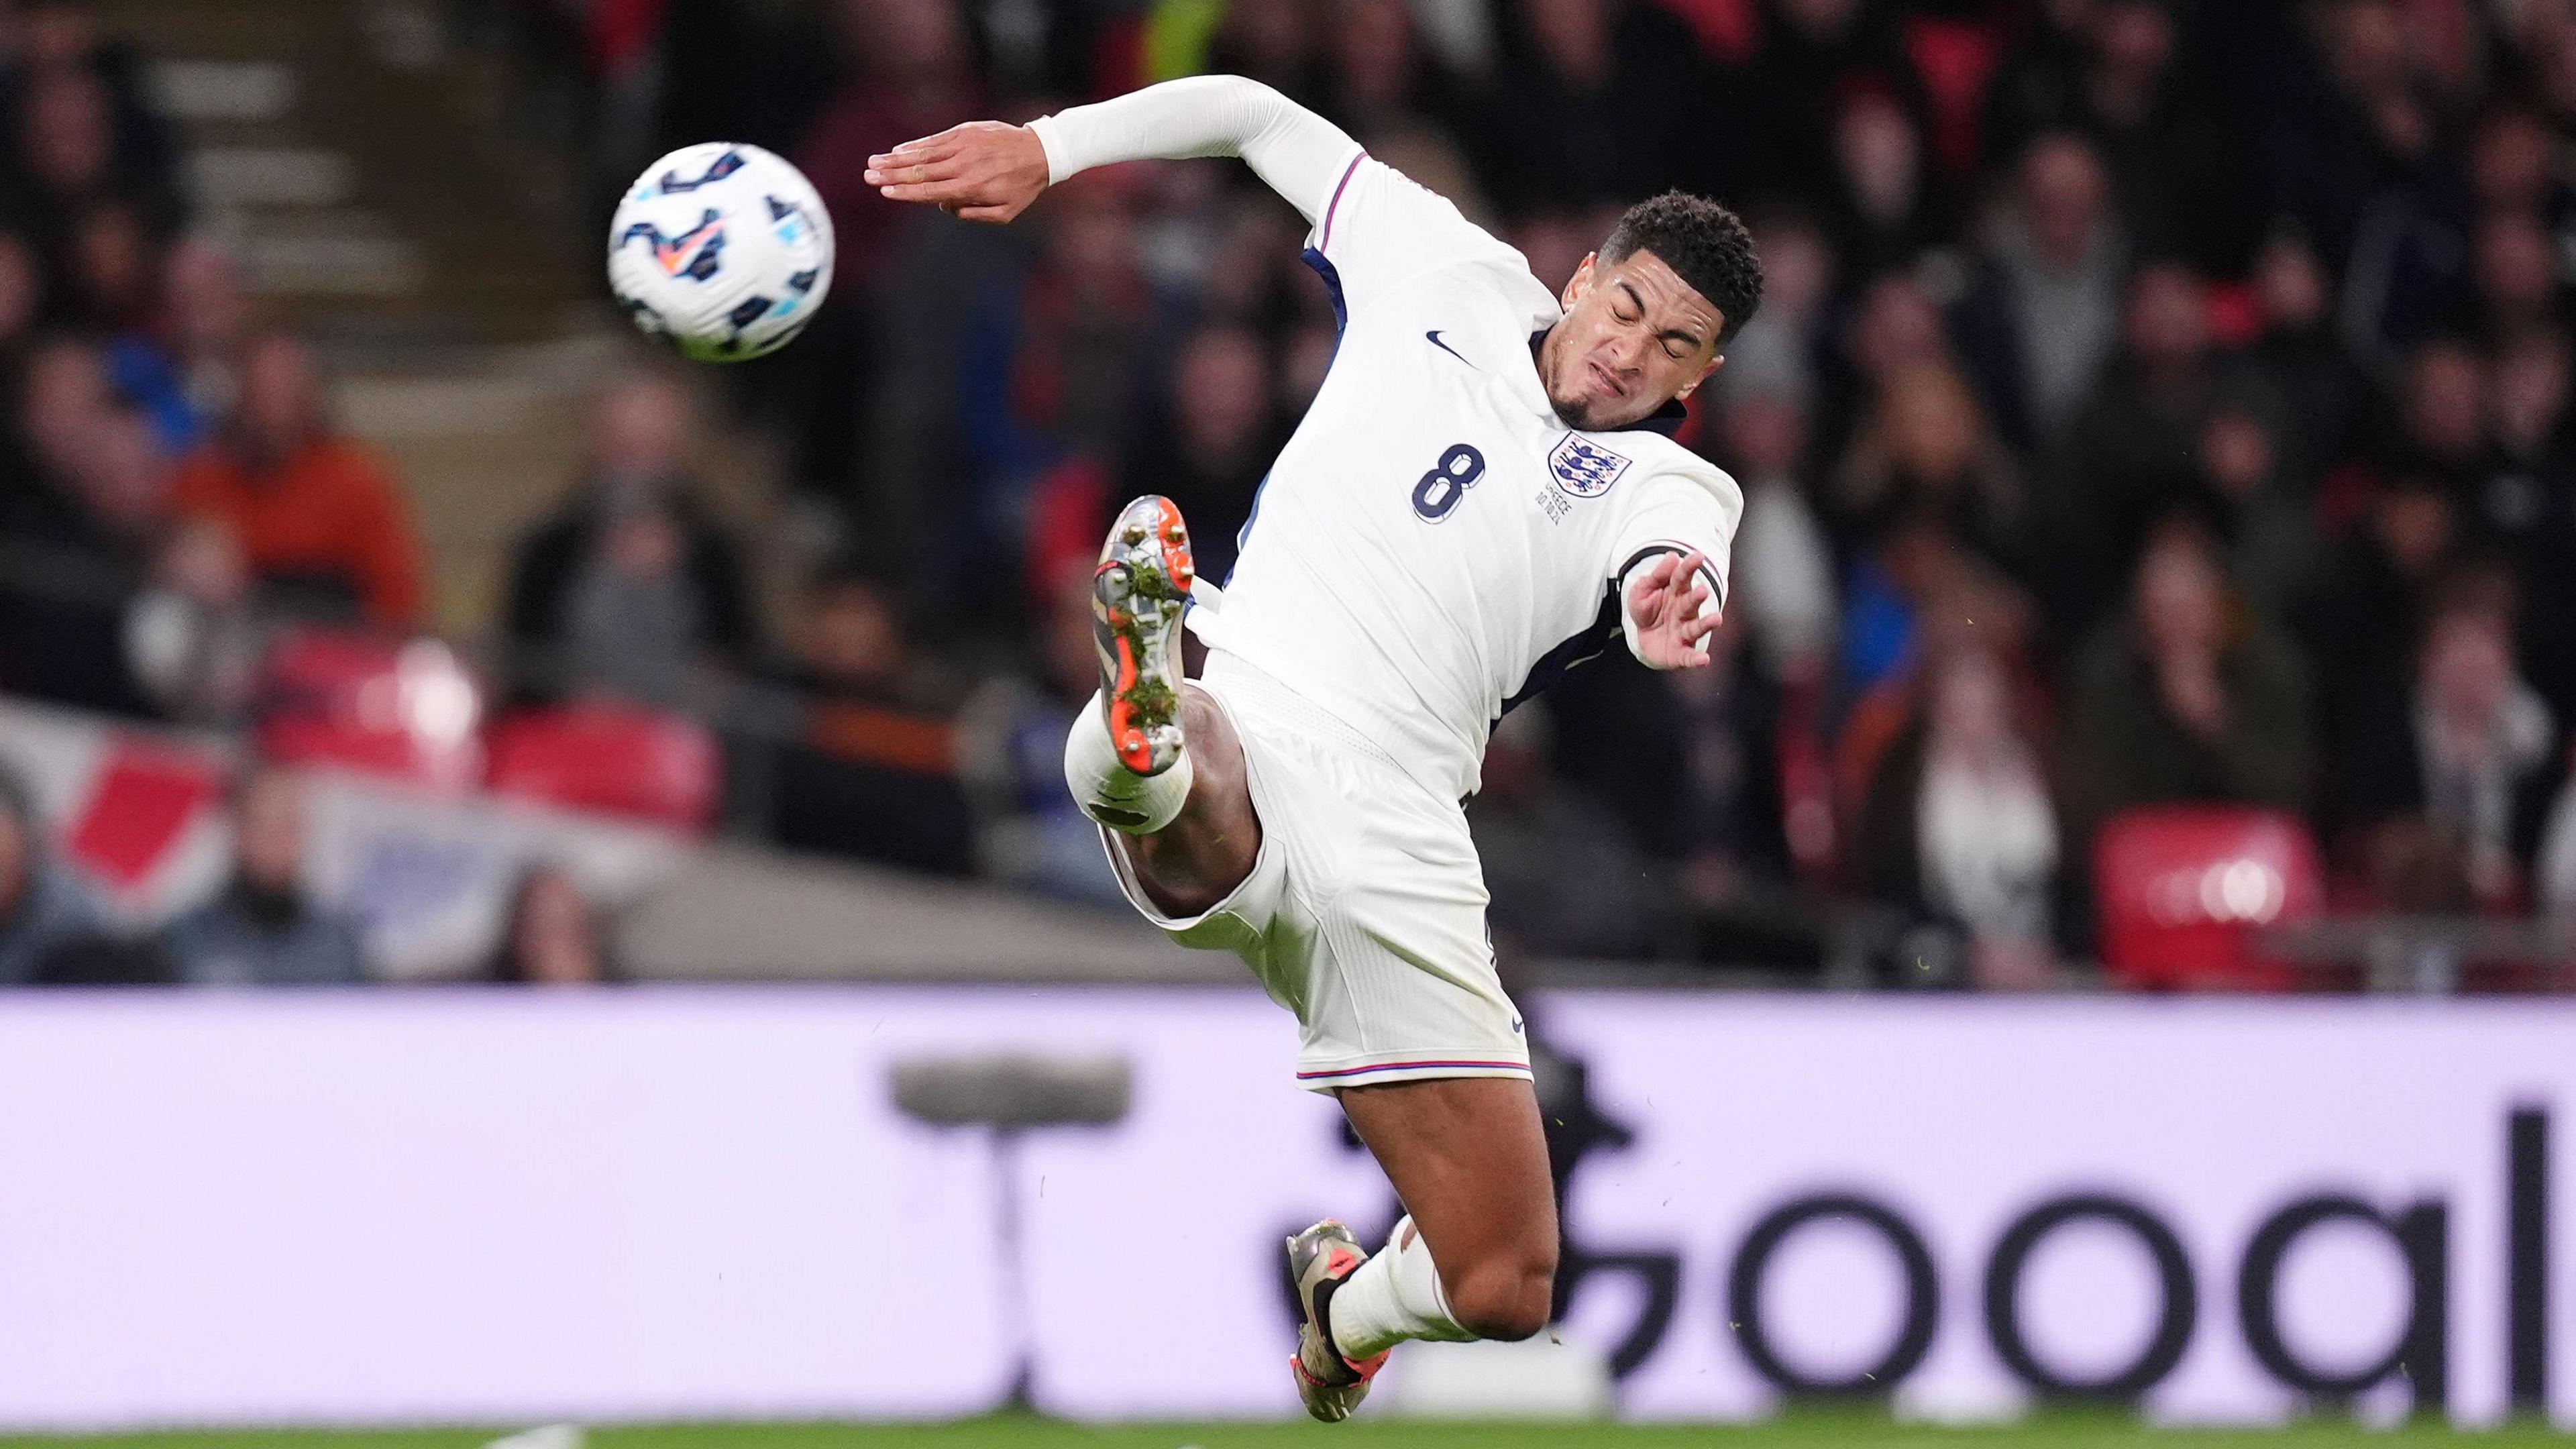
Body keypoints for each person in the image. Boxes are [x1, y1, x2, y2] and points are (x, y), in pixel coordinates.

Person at [867, 74, 1758, 1419]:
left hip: (1404, 829)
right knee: (1195, 796)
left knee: (1508, 1281)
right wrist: (1047, 150)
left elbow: (1670, 564)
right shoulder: (1445, 272)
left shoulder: (1673, 484)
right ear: (1580, 280)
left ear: (1706, 372)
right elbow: (1251, 112)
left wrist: (1666, 600)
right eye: (1626, 308)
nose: (1633, 353)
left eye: (1676, 347)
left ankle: (1344, 1314)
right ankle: (1145, 705)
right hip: (1266, 703)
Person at [162, 765, 368, 985]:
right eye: (267, 825)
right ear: (239, 830)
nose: (279, 842)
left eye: (289, 825)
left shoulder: (339, 945)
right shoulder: (185, 942)